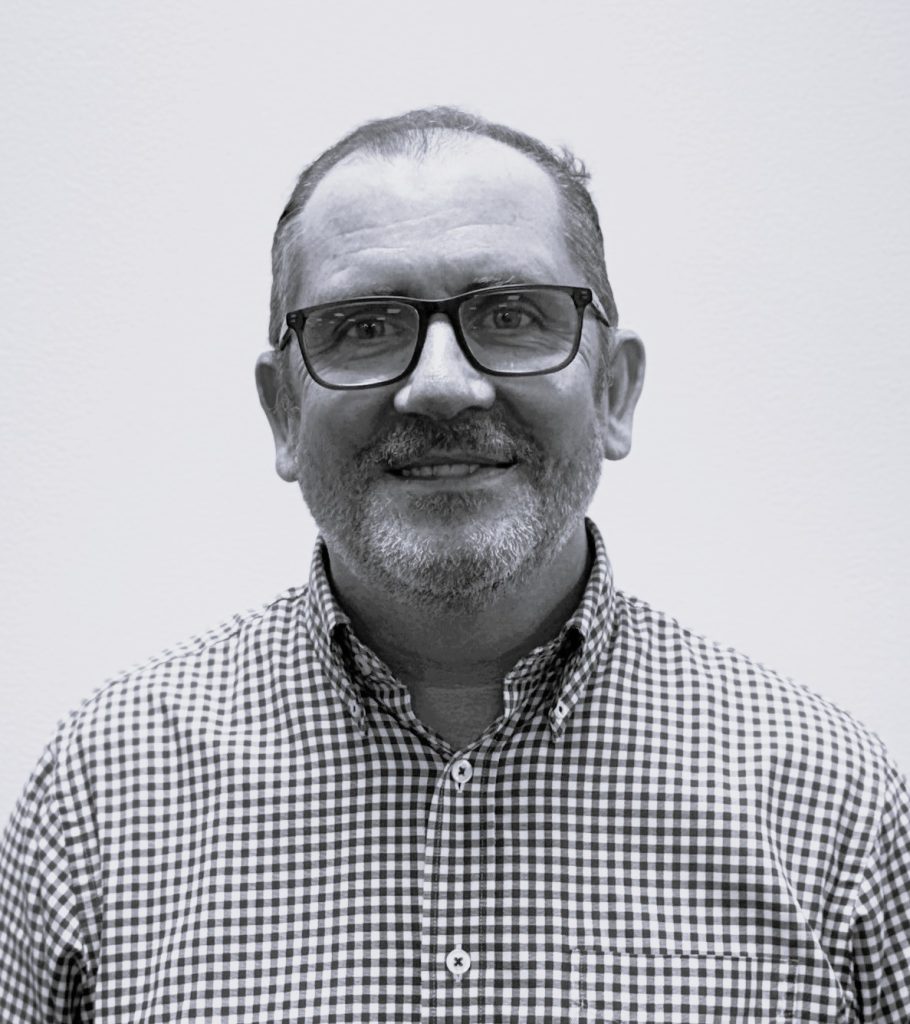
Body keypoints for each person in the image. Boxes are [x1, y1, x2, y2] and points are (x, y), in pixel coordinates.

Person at [1, 106, 908, 1023]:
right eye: (364, 326)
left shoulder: (834, 813)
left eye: (511, 316)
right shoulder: (99, 801)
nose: (440, 385)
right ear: (283, 414)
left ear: (614, 392)